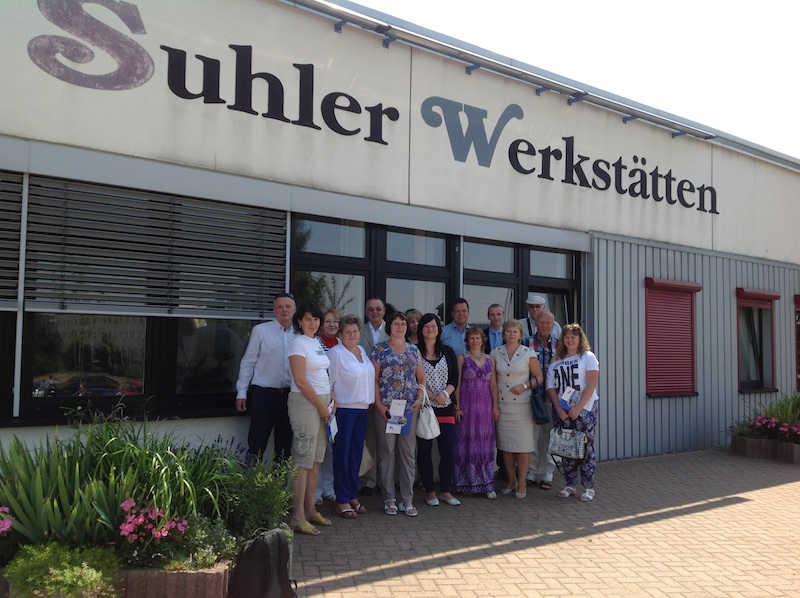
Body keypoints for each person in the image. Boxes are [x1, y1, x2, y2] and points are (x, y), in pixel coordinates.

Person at [371, 311, 426, 517]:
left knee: (408, 453)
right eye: (396, 323)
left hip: (408, 408)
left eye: (403, 323)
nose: (400, 327)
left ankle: (407, 499)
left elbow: (421, 378)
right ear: (389, 327)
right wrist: (378, 404)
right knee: (387, 452)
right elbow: (374, 379)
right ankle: (389, 498)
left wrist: (420, 397)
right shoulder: (379, 350)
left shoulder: (414, 350)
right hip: (387, 408)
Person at [286, 301, 335, 536]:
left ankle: (310, 510)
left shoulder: (315, 342)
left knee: (315, 461)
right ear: (299, 321)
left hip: (321, 403)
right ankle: (297, 516)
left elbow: (321, 374)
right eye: (308, 319)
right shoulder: (297, 343)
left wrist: (330, 399)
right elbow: (301, 381)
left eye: (316, 319)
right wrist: (321, 406)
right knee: (303, 460)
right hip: (306, 404)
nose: (313, 323)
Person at [235, 292, 298, 463]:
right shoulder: (261, 331)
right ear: (274, 310)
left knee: (284, 446)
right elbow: (248, 362)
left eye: (288, 306)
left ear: (294, 310)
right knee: (257, 443)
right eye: (280, 307)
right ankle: (251, 478)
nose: (284, 310)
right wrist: (241, 391)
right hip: (263, 395)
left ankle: (279, 480)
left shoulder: (300, 334)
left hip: (289, 396)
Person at [546, 323, 600, 502]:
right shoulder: (556, 359)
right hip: (562, 409)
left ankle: (588, 487)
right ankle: (570, 485)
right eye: (566, 337)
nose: (569, 340)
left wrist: (578, 408)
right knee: (566, 447)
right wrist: (558, 408)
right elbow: (551, 386)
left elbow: (591, 384)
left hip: (585, 409)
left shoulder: (587, 357)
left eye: (573, 337)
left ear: (580, 338)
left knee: (585, 448)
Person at [328, 315, 374, 519]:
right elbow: (327, 383)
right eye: (347, 332)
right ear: (341, 334)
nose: (352, 335)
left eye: (355, 331)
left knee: (356, 454)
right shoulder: (336, 353)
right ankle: (342, 499)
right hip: (344, 410)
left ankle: (352, 494)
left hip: (362, 409)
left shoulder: (362, 351)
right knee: (342, 454)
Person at [491, 319, 543, 500]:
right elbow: (492, 382)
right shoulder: (495, 353)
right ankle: (511, 480)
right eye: (508, 331)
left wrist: (525, 386)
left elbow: (539, 377)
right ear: (503, 334)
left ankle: (522, 482)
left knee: (523, 447)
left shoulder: (528, 353)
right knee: (506, 446)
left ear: (521, 335)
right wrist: (494, 406)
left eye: (515, 331)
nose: (511, 334)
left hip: (522, 406)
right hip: (503, 405)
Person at [415, 313, 460, 507]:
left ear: (439, 329)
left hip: (445, 407)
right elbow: (413, 377)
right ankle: (430, 491)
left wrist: (445, 393)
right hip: (424, 408)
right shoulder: (414, 351)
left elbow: (455, 377)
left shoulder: (448, 352)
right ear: (421, 329)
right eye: (426, 326)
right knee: (424, 450)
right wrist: (428, 393)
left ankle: (445, 490)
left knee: (448, 450)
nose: (430, 329)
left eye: (433, 326)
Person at [454, 327, 499, 498]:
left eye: (477, 338)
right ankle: (466, 482)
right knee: (466, 442)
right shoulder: (462, 358)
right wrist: (457, 406)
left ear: (483, 340)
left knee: (485, 443)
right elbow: (457, 382)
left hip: (485, 407)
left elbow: (493, 385)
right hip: (467, 406)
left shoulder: (490, 359)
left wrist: (495, 407)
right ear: (467, 340)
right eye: (471, 338)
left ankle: (486, 483)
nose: (475, 341)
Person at [358, 297, 389, 496]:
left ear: (384, 311)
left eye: (378, 309)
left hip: (389, 393)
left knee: (389, 440)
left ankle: (388, 480)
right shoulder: (358, 331)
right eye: (371, 309)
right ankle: (369, 481)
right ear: (366, 312)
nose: (375, 312)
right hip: (365, 391)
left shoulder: (393, 330)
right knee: (369, 437)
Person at [525, 310, 559, 490]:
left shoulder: (560, 346)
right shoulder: (525, 343)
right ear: (536, 323)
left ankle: (546, 475)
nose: (545, 325)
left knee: (550, 438)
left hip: (553, 399)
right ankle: (531, 473)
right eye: (542, 322)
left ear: (553, 325)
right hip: (533, 398)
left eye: (548, 323)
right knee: (531, 437)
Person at [315, 308, 341, 505]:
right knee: (318, 448)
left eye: (335, 322)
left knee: (332, 448)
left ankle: (329, 488)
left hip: (338, 404)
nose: (332, 325)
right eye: (328, 321)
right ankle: (315, 491)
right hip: (319, 400)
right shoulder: (315, 344)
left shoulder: (342, 344)